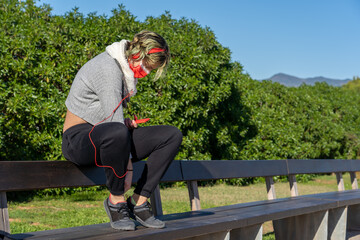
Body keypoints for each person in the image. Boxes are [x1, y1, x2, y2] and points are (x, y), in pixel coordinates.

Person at [61, 30, 183, 231]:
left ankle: (138, 202)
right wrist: (127, 168)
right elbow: (114, 127)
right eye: (148, 66)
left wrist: (123, 124)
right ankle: (116, 201)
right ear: (137, 55)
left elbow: (109, 119)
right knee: (117, 133)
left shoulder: (124, 70)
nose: (147, 72)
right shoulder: (108, 69)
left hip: (105, 137)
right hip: (78, 141)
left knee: (170, 136)